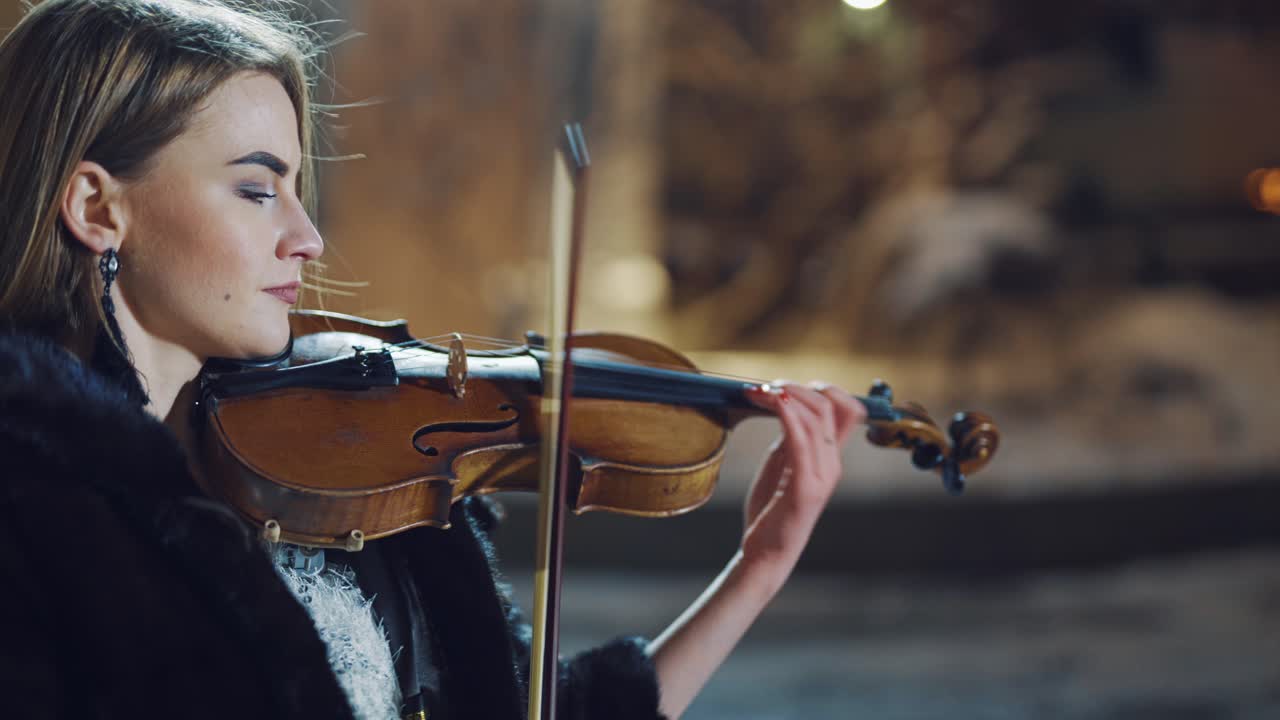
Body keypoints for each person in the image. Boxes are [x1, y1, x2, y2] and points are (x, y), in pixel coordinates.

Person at [0, 1, 866, 718]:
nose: (307, 238)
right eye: (257, 190)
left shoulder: (338, 467)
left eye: (299, 192)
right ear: (95, 207)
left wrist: (758, 569)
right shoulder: (33, 510)